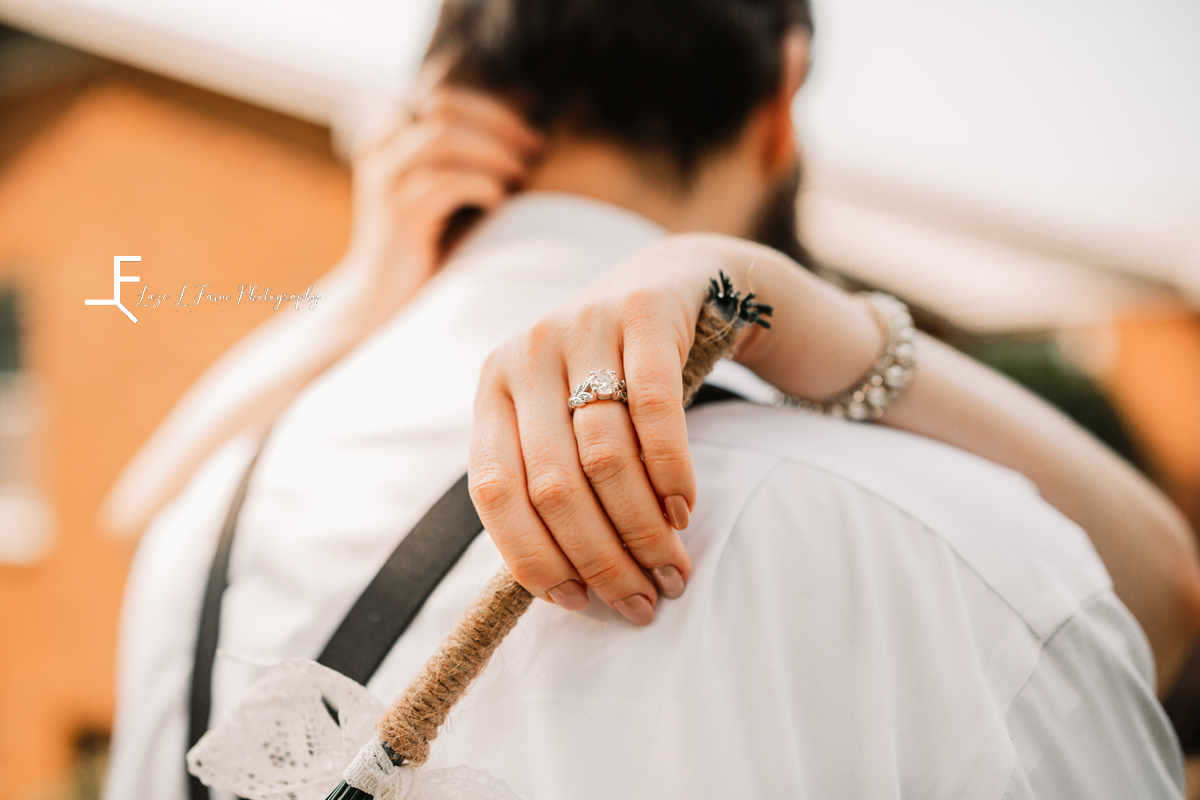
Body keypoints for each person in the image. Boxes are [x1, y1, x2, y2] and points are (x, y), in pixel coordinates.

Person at [103, 0, 1200, 797]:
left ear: (437, 104)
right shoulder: (924, 529)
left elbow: (128, 516)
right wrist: (822, 322)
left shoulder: (201, 521)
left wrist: (354, 296)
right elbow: (1153, 603)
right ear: (784, 94)